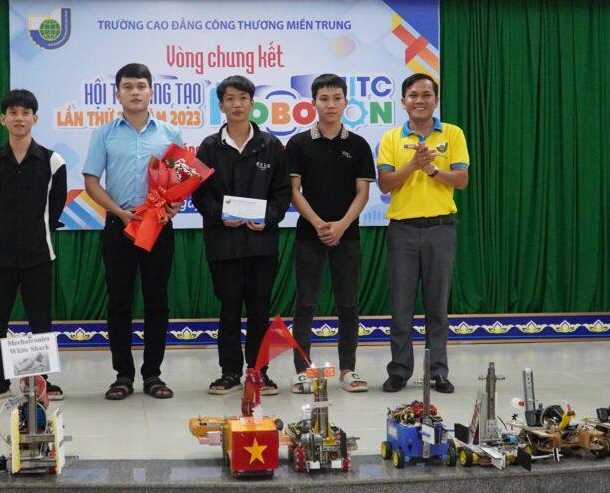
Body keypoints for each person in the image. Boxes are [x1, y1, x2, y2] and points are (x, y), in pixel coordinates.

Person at [83, 63, 183, 401]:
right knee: (119, 302)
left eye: (141, 86)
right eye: (128, 87)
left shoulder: (170, 132)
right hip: (120, 226)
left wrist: (174, 206)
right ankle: (122, 375)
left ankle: (153, 374)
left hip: (158, 227)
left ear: (151, 91)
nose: (135, 92)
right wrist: (120, 213)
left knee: (157, 301)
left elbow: (181, 181)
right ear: (118, 93)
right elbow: (91, 181)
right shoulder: (104, 134)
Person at [192, 75, 291, 396]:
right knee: (229, 310)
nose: (237, 104)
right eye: (230, 99)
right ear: (221, 106)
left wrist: (268, 217)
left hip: (262, 243)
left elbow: (282, 193)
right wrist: (221, 215)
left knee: (260, 311)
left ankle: (259, 372)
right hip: (223, 244)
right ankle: (230, 372)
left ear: (252, 103)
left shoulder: (270, 145)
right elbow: (200, 195)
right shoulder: (209, 147)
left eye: (243, 98)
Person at [376, 73, 469, 394]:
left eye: (426, 95)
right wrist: (414, 165)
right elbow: (385, 183)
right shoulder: (391, 138)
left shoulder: (452, 134)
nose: (420, 100)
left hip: (441, 230)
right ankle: (399, 371)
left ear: (436, 100)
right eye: (413, 95)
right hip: (402, 232)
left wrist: (432, 170)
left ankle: (437, 371)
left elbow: (461, 180)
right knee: (401, 308)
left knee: (437, 306)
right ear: (403, 102)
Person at [0, 89, 67, 402]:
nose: (19, 118)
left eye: (26, 113)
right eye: (13, 113)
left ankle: (40, 382)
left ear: (35, 118)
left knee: (40, 320)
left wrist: (34, 234)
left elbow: (54, 210)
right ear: (3, 119)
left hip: (39, 254)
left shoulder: (53, 162)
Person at [285, 74, 376, 394]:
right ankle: (302, 370)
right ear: (313, 102)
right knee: (305, 303)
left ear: (346, 102)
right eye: (324, 98)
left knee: (348, 303)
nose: (331, 104)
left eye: (337, 98)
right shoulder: (298, 143)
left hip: (347, 236)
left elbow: (363, 193)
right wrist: (319, 224)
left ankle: (348, 369)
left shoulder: (358, 144)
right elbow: (294, 191)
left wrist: (340, 225)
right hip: (309, 235)